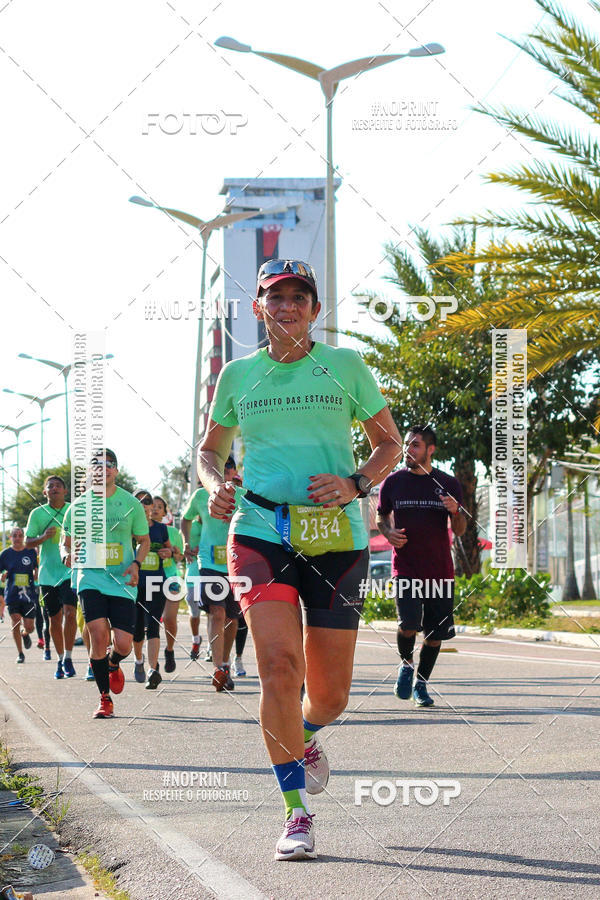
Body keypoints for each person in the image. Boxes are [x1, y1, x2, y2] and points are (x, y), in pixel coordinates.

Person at [198, 258, 401, 860]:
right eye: (274, 298)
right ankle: (295, 813)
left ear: (315, 310)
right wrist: (214, 483)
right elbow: (210, 450)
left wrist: (356, 483)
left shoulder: (345, 366)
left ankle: (305, 734)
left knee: (331, 695)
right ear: (258, 309)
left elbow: (388, 442)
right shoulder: (238, 375)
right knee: (279, 668)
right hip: (260, 532)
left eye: (298, 297)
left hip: (336, 539)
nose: (286, 307)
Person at [377, 425, 466, 708]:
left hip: (440, 570)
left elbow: (461, 529)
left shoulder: (449, 484)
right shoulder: (393, 482)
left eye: (415, 445)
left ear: (430, 450)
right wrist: (388, 533)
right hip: (405, 567)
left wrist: (456, 511)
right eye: (407, 444)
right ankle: (406, 664)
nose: (409, 450)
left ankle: (422, 684)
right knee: (408, 624)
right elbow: (381, 517)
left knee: (435, 635)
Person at [62, 449, 150, 718]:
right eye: (97, 465)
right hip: (91, 578)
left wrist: (136, 563)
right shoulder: (79, 506)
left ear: (116, 470)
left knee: (123, 644)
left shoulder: (130, 503)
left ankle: (113, 663)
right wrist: (66, 554)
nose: (104, 469)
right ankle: (104, 698)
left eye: (109, 464)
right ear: (90, 472)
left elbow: (144, 540)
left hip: (122, 580)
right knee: (98, 635)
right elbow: (65, 542)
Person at [181, 457, 241, 691]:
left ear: (234, 471)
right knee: (217, 612)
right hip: (208, 561)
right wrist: (186, 543)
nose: (224, 471)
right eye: (219, 467)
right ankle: (219, 668)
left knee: (232, 618)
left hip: (235, 563)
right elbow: (185, 520)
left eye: (228, 467)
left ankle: (226, 662)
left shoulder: (242, 495)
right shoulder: (200, 496)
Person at [26, 475, 78, 677]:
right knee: (54, 620)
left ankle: (69, 656)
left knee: (70, 613)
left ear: (65, 491)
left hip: (70, 571)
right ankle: (59, 659)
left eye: (58, 486)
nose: (54, 488)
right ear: (45, 492)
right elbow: (28, 542)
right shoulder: (37, 514)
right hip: (47, 575)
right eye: (50, 486)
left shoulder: (73, 511)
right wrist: (43, 537)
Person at [132, 490, 172, 689]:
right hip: (134, 584)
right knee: (137, 629)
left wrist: (167, 552)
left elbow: (169, 550)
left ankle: (152, 670)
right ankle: (139, 660)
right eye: (139, 500)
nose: (144, 504)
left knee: (153, 625)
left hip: (156, 582)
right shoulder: (128, 529)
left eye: (148, 501)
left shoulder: (161, 529)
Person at [153, 496, 184, 674]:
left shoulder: (172, 532)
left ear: (165, 512)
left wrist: (175, 553)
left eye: (160, 507)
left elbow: (180, 558)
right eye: (153, 506)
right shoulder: (141, 530)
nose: (156, 509)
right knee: (153, 620)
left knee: (170, 618)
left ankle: (169, 650)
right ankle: (153, 661)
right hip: (150, 579)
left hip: (171, 577)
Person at [0, 528, 37, 663]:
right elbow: (1, 573)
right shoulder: (5, 554)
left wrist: (36, 575)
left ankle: (25, 633)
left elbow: (36, 569)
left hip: (28, 595)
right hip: (12, 595)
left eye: (20, 535)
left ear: (23, 537)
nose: (17, 538)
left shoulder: (30, 552)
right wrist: (2, 576)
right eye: (14, 536)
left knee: (30, 627)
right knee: (15, 622)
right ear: (11, 538)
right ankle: (20, 653)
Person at [183, 516, 203, 660]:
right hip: (193, 569)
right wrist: (187, 549)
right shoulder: (190, 526)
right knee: (192, 602)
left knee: (214, 610)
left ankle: (211, 647)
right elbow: (182, 547)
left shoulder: (217, 523)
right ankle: (196, 639)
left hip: (212, 570)